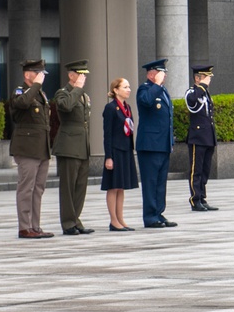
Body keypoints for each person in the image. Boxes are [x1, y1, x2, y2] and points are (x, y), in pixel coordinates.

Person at [10, 59, 54, 239]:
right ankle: (24, 227)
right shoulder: (21, 91)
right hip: (27, 148)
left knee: (38, 188)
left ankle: (35, 226)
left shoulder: (39, 94)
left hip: (41, 148)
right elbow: (22, 104)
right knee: (26, 188)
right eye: (38, 73)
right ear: (28, 75)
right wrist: (35, 85)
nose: (41, 77)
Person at [52, 60, 94, 235]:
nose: (83, 78)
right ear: (71, 75)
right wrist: (77, 88)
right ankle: (68, 223)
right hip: (68, 146)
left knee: (80, 186)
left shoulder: (82, 95)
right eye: (80, 74)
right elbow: (66, 106)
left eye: (84, 74)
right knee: (68, 187)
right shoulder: (63, 93)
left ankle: (76, 219)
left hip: (82, 146)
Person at [136, 59, 178, 229]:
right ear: (151, 74)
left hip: (162, 144)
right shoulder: (145, 89)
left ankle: (159, 213)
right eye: (161, 72)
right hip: (149, 145)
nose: (164, 75)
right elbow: (146, 101)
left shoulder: (162, 90)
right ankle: (150, 217)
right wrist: (157, 84)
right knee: (150, 182)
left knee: (160, 183)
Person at [102, 77, 138, 231]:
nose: (128, 89)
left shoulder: (127, 107)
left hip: (125, 149)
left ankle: (120, 218)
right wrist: (108, 157)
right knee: (113, 186)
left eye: (129, 87)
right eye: (125, 87)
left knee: (121, 186)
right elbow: (107, 134)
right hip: (115, 150)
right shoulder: (110, 108)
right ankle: (113, 220)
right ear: (116, 90)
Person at [185, 64, 219, 211]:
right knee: (196, 170)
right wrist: (201, 86)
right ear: (197, 78)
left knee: (205, 170)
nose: (209, 80)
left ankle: (202, 198)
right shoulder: (192, 92)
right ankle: (195, 199)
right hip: (197, 137)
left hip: (207, 136)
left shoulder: (205, 93)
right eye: (206, 77)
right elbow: (192, 103)